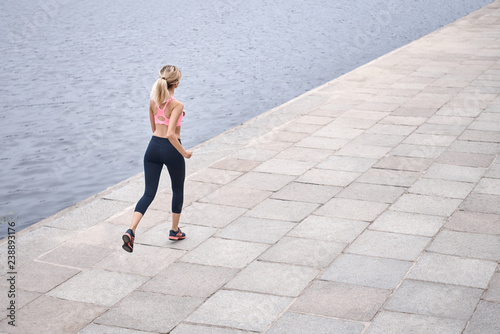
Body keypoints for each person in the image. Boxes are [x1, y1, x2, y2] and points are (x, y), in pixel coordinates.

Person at [122, 65, 193, 253]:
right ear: (176, 84)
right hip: (171, 150)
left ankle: (131, 230)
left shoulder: (153, 101)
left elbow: (155, 128)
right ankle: (174, 230)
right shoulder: (177, 105)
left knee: (148, 193)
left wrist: (176, 119)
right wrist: (184, 153)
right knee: (177, 189)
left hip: (153, 148)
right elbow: (171, 134)